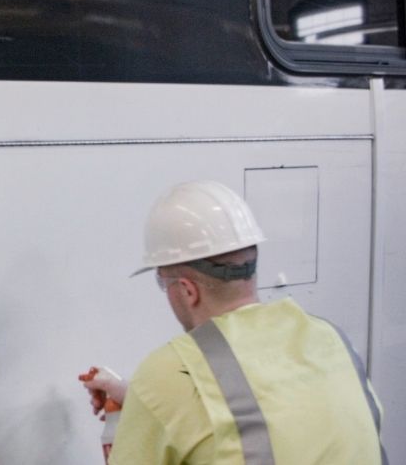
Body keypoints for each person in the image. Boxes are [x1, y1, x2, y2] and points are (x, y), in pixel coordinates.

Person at [82, 180, 386, 464]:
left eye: (164, 284)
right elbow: (279, 415)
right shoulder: (329, 338)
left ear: (188, 290)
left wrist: (146, 402)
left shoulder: (165, 375)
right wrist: (141, 402)